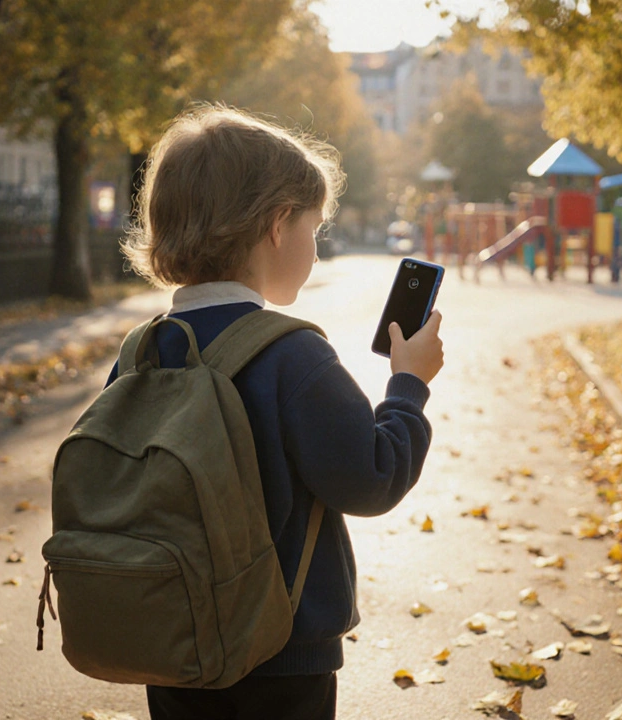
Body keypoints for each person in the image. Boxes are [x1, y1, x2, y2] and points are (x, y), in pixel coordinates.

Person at [111, 104, 444, 720]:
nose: (316, 251)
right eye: (314, 229)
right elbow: (372, 478)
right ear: (276, 225)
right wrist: (407, 385)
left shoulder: (144, 352)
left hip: (171, 639)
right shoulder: (292, 354)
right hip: (282, 655)